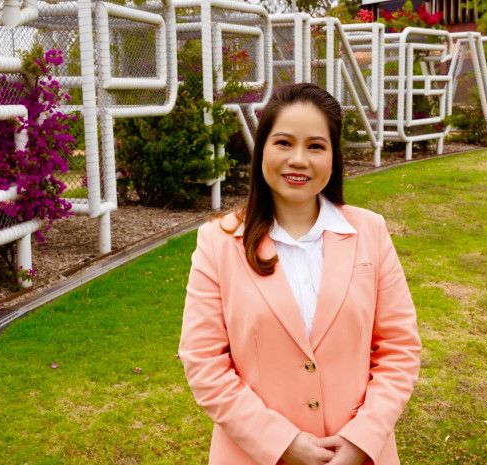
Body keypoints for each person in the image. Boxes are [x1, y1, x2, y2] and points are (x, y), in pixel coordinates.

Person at [178, 83, 421, 465]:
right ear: (262, 149)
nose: (298, 159)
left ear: (333, 157)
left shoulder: (370, 232)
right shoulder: (217, 243)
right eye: (284, 143)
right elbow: (204, 362)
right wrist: (282, 443)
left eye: (315, 146)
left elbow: (399, 349)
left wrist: (361, 440)